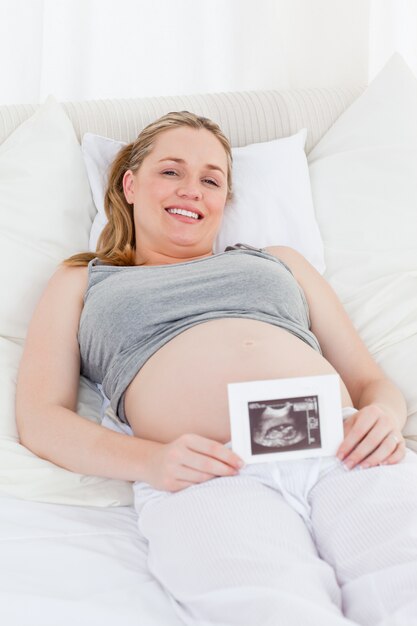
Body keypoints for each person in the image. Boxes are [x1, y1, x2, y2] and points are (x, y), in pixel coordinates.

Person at [16, 111, 417, 626]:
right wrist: (151, 463)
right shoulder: (83, 279)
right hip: (206, 472)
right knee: (270, 610)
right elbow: (41, 418)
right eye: (171, 171)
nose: (192, 190)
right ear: (130, 184)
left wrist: (384, 413)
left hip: (342, 447)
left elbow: (369, 380)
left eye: (211, 179)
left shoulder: (280, 261)